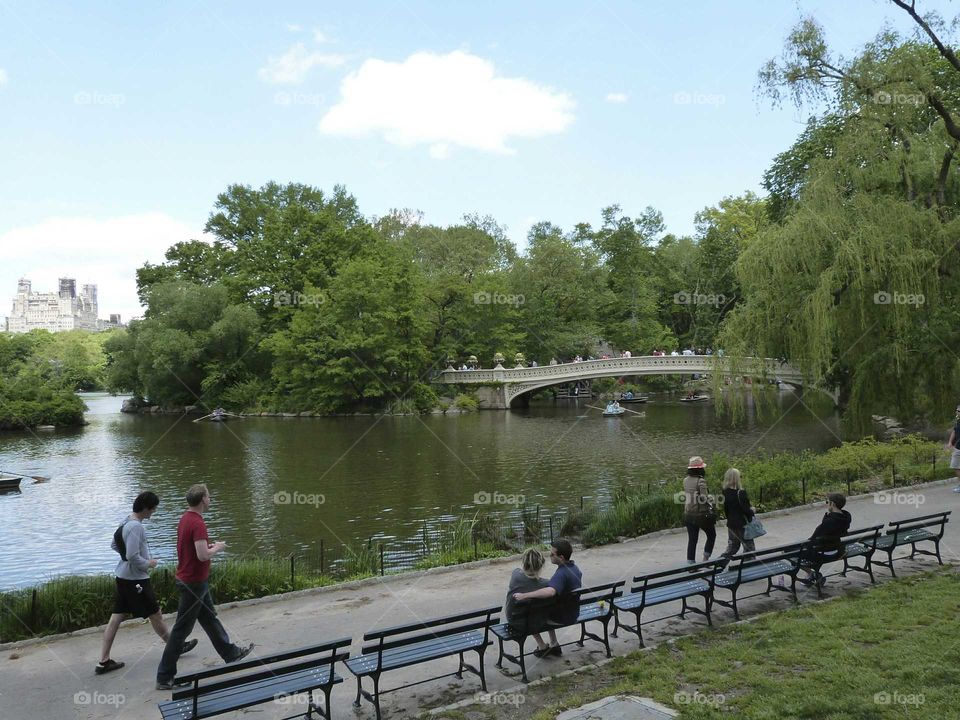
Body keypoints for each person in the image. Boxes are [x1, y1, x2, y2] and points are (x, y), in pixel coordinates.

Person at [156, 484, 254, 690]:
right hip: (193, 583)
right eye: (209, 496)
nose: (210, 499)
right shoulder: (198, 523)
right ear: (202, 500)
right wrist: (217, 548)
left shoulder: (185, 519)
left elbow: (194, 551)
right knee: (181, 631)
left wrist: (208, 547)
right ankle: (164, 677)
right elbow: (202, 555)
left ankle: (231, 653)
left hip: (191, 580)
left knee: (209, 619)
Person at [96, 492, 198, 675]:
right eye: (153, 508)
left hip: (122, 576)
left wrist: (129, 560)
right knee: (155, 613)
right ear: (146, 508)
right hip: (136, 580)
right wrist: (148, 564)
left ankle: (103, 661)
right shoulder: (136, 527)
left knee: (116, 618)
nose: (154, 512)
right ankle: (176, 647)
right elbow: (132, 556)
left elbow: (114, 545)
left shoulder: (126, 521)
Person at [511, 539, 582, 658]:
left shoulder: (561, 574)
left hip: (562, 617)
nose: (550, 555)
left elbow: (550, 591)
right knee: (544, 606)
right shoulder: (575, 569)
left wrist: (525, 595)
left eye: (552, 554)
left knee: (532, 612)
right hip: (574, 612)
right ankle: (554, 643)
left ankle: (542, 647)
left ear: (561, 557)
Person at [799, 493, 852, 588]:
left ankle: (812, 574)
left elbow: (813, 539)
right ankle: (811, 575)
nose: (827, 504)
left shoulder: (829, 521)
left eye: (827, 502)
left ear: (832, 504)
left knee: (790, 553)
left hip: (824, 554)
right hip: (838, 551)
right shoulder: (845, 518)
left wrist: (802, 547)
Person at [504, 549, 549, 633]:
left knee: (528, 612)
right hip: (536, 622)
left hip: (514, 620)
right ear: (541, 565)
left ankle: (542, 645)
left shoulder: (516, 574)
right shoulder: (545, 584)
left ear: (524, 563)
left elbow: (521, 572)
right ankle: (550, 642)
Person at [683, 456, 716, 564]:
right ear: (700, 469)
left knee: (692, 539)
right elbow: (704, 498)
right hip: (701, 514)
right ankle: (705, 560)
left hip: (688, 514)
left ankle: (691, 563)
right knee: (712, 535)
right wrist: (712, 498)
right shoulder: (701, 481)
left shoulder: (685, 480)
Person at [720, 469, 756, 560]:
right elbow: (746, 510)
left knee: (732, 548)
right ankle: (750, 567)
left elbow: (726, 509)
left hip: (731, 524)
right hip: (743, 524)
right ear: (736, 479)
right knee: (749, 548)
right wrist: (752, 511)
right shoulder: (741, 493)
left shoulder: (725, 492)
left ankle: (719, 564)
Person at [945, 405, 960, 492]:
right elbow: (954, 431)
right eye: (956, 410)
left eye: (958, 411)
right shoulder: (958, 421)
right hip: (957, 448)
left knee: (956, 466)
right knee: (956, 466)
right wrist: (950, 442)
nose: (956, 412)